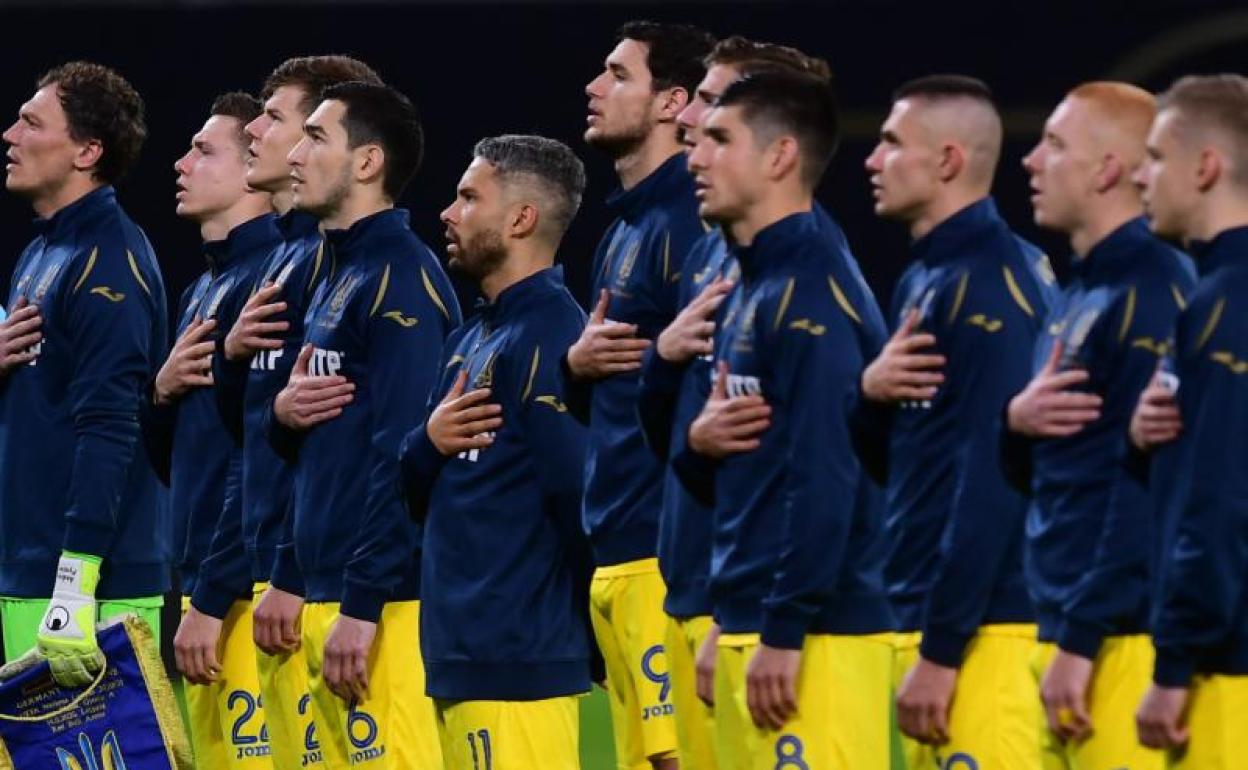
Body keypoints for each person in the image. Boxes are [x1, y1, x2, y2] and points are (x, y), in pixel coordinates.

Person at [637, 35, 881, 770]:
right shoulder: (743, 278)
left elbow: (826, 473)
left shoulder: (812, 285)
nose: (692, 148)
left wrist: (779, 624)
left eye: (717, 130)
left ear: (779, 151)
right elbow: (720, 453)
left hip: (812, 630)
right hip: (741, 609)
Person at [858, 74, 1056, 768]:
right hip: (934, 618)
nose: (871, 160)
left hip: (987, 633)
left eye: (890, 143)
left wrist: (945, 649)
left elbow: (998, 474)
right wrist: (870, 395)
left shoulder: (989, 284)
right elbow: (911, 460)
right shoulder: (927, 278)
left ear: (947, 160)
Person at [1001, 82, 1196, 769]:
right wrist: (1014, 422)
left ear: (1109, 169)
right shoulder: (1080, 290)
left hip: (1122, 641)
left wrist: (1082, 638)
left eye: (1054, 145)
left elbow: (1147, 483)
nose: (1030, 161)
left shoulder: (1155, 289)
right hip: (1064, 629)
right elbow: (1063, 471)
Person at [266, 80, 460, 768]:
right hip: (329, 595)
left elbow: (403, 459)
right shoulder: (331, 272)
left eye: (316, 137)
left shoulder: (402, 279)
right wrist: (292, 571)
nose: (295, 151)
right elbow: (314, 449)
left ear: (368, 162)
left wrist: (365, 604)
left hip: (383, 609)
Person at [204, 55, 383, 770]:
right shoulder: (286, 266)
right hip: (267, 574)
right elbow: (247, 437)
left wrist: (287, 575)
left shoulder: (335, 270)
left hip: (303, 584)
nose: (257, 129)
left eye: (280, 119)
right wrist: (229, 360)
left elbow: (334, 447)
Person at [400, 134, 594, 770]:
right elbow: (415, 484)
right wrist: (427, 444)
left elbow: (577, 498)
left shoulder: (552, 333)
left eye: (468, 197)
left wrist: (582, 636)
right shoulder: (472, 336)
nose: (448, 213)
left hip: (519, 659)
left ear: (521, 218)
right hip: (462, 655)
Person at [563, 20, 714, 770]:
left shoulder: (690, 221)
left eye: (619, 75)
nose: (594, 87)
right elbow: (615, 385)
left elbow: (714, 368)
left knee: (675, 759)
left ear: (672, 103)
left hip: (664, 547)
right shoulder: (624, 230)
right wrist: (577, 366)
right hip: (617, 550)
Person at [0, 62, 168, 687]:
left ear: (87, 151)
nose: (10, 136)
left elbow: (112, 424)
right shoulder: (41, 252)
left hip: (92, 585)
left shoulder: (110, 258)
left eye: (30, 122)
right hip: (30, 570)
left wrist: (77, 579)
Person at [144, 91, 279, 767]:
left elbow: (259, 455)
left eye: (203, 151)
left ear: (256, 164)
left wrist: (217, 592)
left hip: (246, 584)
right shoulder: (203, 290)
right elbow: (177, 462)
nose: (181, 162)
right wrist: (162, 393)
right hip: (206, 576)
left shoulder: (272, 283)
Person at [1129, 73, 1248, 770]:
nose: (1141, 176)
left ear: (1205, 166)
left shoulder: (1225, 304)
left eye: (1155, 157)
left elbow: (1222, 498)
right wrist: (1143, 443)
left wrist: (1174, 666)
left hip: (1228, 667)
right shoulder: (1214, 293)